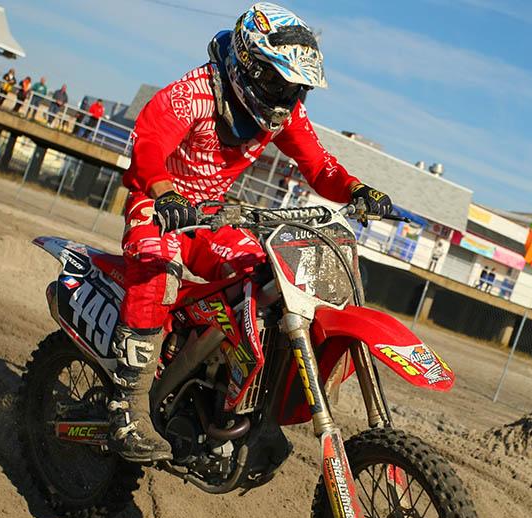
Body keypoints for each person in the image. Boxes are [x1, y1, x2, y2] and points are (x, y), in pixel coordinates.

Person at [108, 3, 392, 463]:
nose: (288, 97)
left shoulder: (283, 114)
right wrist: (165, 194)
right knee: (159, 266)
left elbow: (318, 166)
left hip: (214, 217)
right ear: (248, 64)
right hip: (160, 206)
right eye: (280, 83)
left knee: (269, 275)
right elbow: (148, 145)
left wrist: (356, 189)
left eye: (297, 88)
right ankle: (127, 409)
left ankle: (234, 400)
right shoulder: (194, 93)